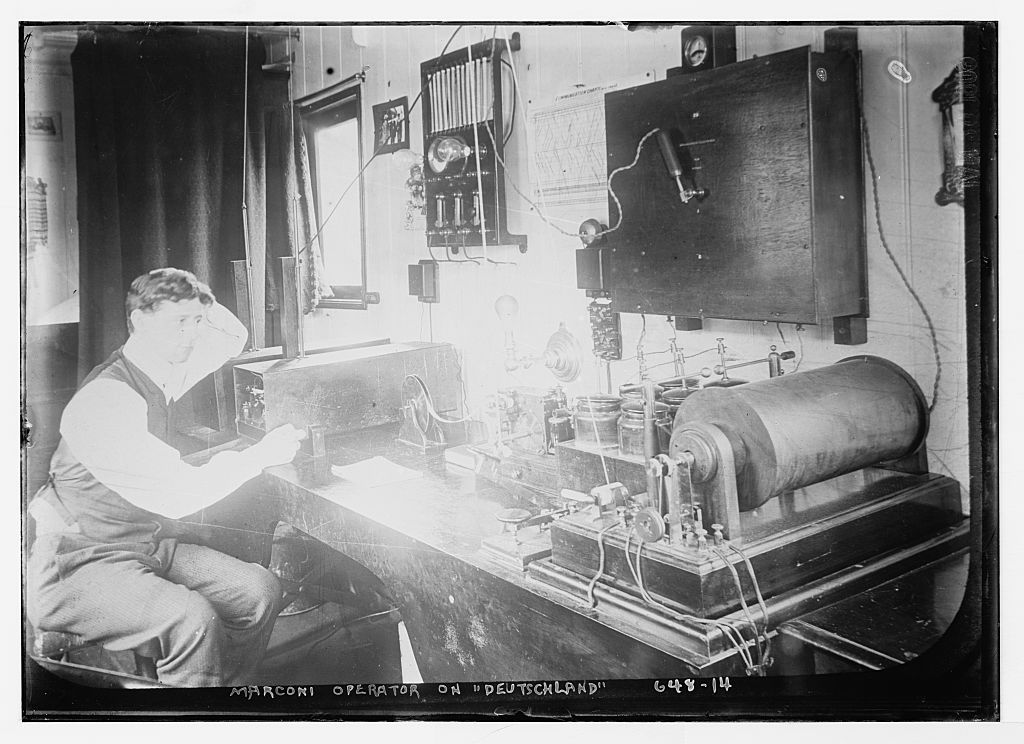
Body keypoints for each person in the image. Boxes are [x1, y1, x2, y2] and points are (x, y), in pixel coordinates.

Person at [26, 268, 305, 687]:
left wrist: (189, 293)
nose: (192, 335)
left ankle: (220, 699)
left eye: (195, 322)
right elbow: (179, 496)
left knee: (258, 590)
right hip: (76, 565)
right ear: (139, 322)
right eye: (179, 322)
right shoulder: (106, 401)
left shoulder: (161, 370)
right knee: (193, 620)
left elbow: (231, 336)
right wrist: (261, 455)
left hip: (143, 546)